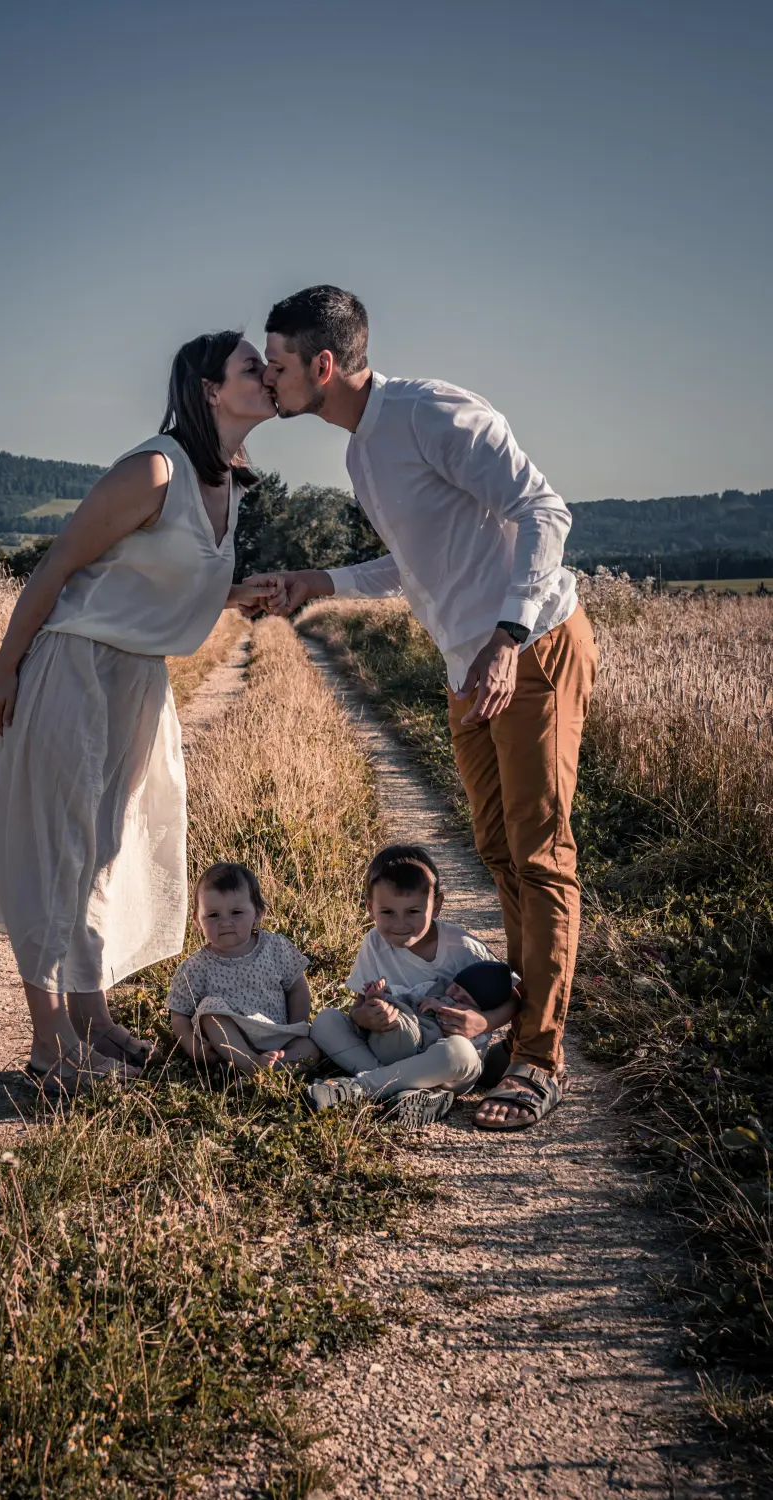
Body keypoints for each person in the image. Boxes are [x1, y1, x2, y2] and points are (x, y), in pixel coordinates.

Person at [257, 286, 597, 1131]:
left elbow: (544, 510)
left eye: (279, 364)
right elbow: (411, 563)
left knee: (540, 852)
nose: (269, 378)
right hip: (468, 667)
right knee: (495, 846)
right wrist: (319, 582)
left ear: (324, 365)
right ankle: (513, 1019)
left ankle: (539, 1061)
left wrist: (509, 636)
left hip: (532, 649)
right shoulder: (360, 454)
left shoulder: (433, 413)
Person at [0, 333, 279, 1094]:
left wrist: (237, 593)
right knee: (59, 851)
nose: (270, 375)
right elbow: (61, 565)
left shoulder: (231, 485)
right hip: (72, 665)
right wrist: (7, 665)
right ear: (210, 388)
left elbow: (151, 584)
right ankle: (50, 1047)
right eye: (254, 366)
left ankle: (90, 1015)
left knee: (108, 845)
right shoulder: (154, 468)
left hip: (136, 677)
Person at [306, 845, 518, 1127]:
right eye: (387, 912)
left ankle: (359, 1088)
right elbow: (359, 1007)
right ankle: (411, 1089)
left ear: (437, 905)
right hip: (390, 1044)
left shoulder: (462, 946)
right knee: (325, 1021)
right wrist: (364, 1016)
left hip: (445, 1057)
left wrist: (483, 1022)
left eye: (413, 911)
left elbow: (515, 997)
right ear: (370, 908)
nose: (400, 924)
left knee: (458, 1053)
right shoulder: (374, 943)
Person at [166, 861, 321, 1077]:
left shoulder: (275, 947)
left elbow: (297, 987)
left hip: (278, 1032)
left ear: (258, 913)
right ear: (197, 920)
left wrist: (296, 1028)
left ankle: (275, 1071)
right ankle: (250, 1064)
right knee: (209, 1010)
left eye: (236, 912)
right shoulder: (195, 967)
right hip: (232, 1042)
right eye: (213, 915)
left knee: (310, 1049)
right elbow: (179, 1015)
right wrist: (197, 1050)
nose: (225, 922)